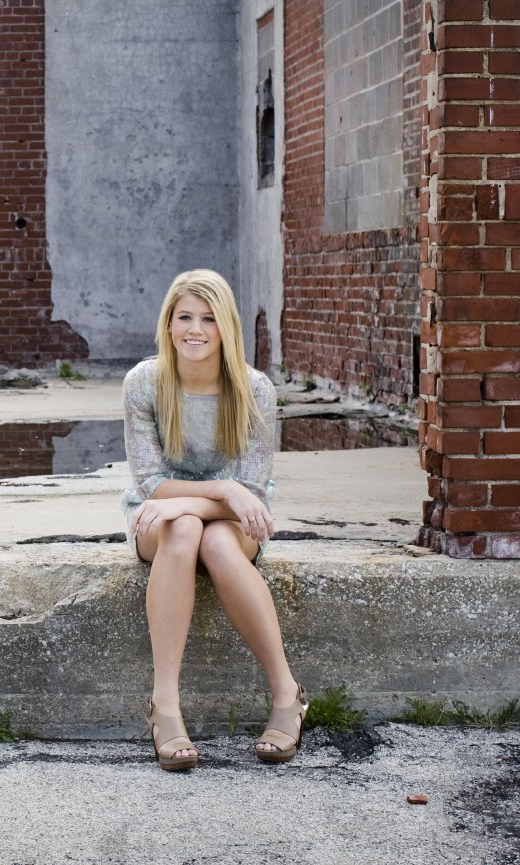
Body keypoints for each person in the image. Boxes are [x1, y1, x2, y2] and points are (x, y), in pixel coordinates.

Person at [120, 269, 306, 771]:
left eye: (208, 318)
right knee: (183, 529)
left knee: (217, 543)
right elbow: (151, 485)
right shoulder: (144, 383)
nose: (195, 330)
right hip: (161, 518)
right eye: (185, 317)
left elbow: (250, 495)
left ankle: (287, 694)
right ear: (169, 323)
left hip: (230, 522)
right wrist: (221, 490)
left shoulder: (254, 388)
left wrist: (205, 498)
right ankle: (165, 706)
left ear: (226, 326)